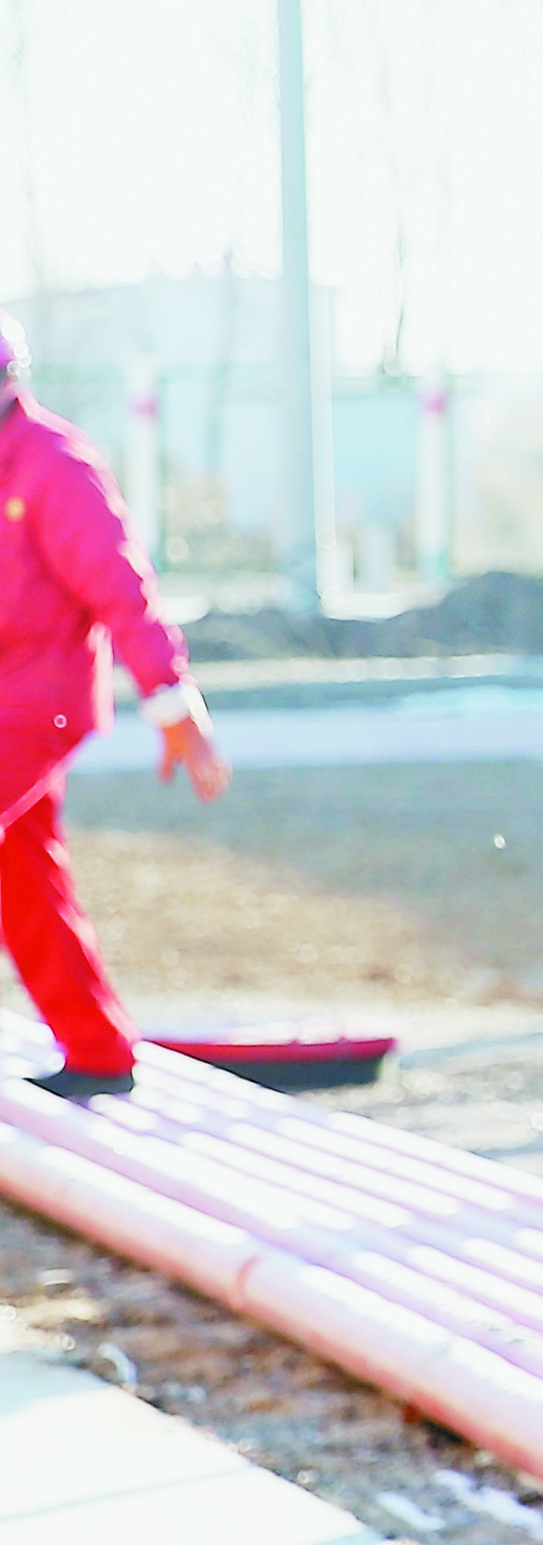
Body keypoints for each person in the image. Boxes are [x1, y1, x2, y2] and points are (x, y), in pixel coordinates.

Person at [0, 307, 230, 1099]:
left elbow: (120, 588)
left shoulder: (50, 463)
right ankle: (96, 1047)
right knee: (23, 875)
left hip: (38, 705)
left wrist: (170, 699)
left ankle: (96, 1045)